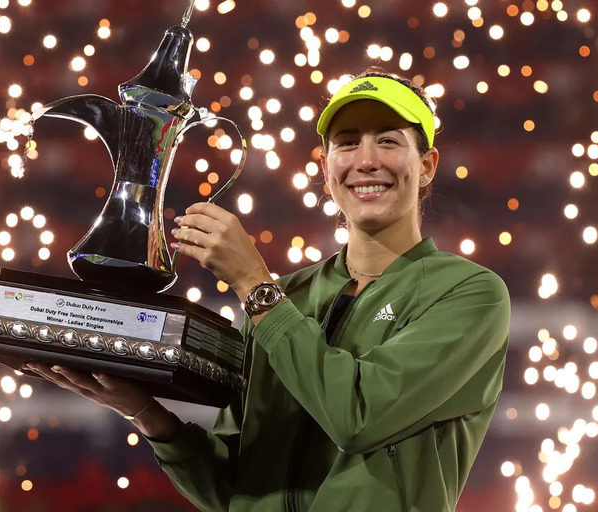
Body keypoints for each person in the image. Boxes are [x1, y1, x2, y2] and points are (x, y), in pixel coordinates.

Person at [27, 69, 511, 512]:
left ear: (426, 165)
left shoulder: (470, 294)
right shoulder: (286, 297)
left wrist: (252, 285)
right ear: (325, 167)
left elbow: (359, 417)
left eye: (388, 141)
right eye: (346, 143)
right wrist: (147, 415)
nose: (365, 160)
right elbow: (236, 489)